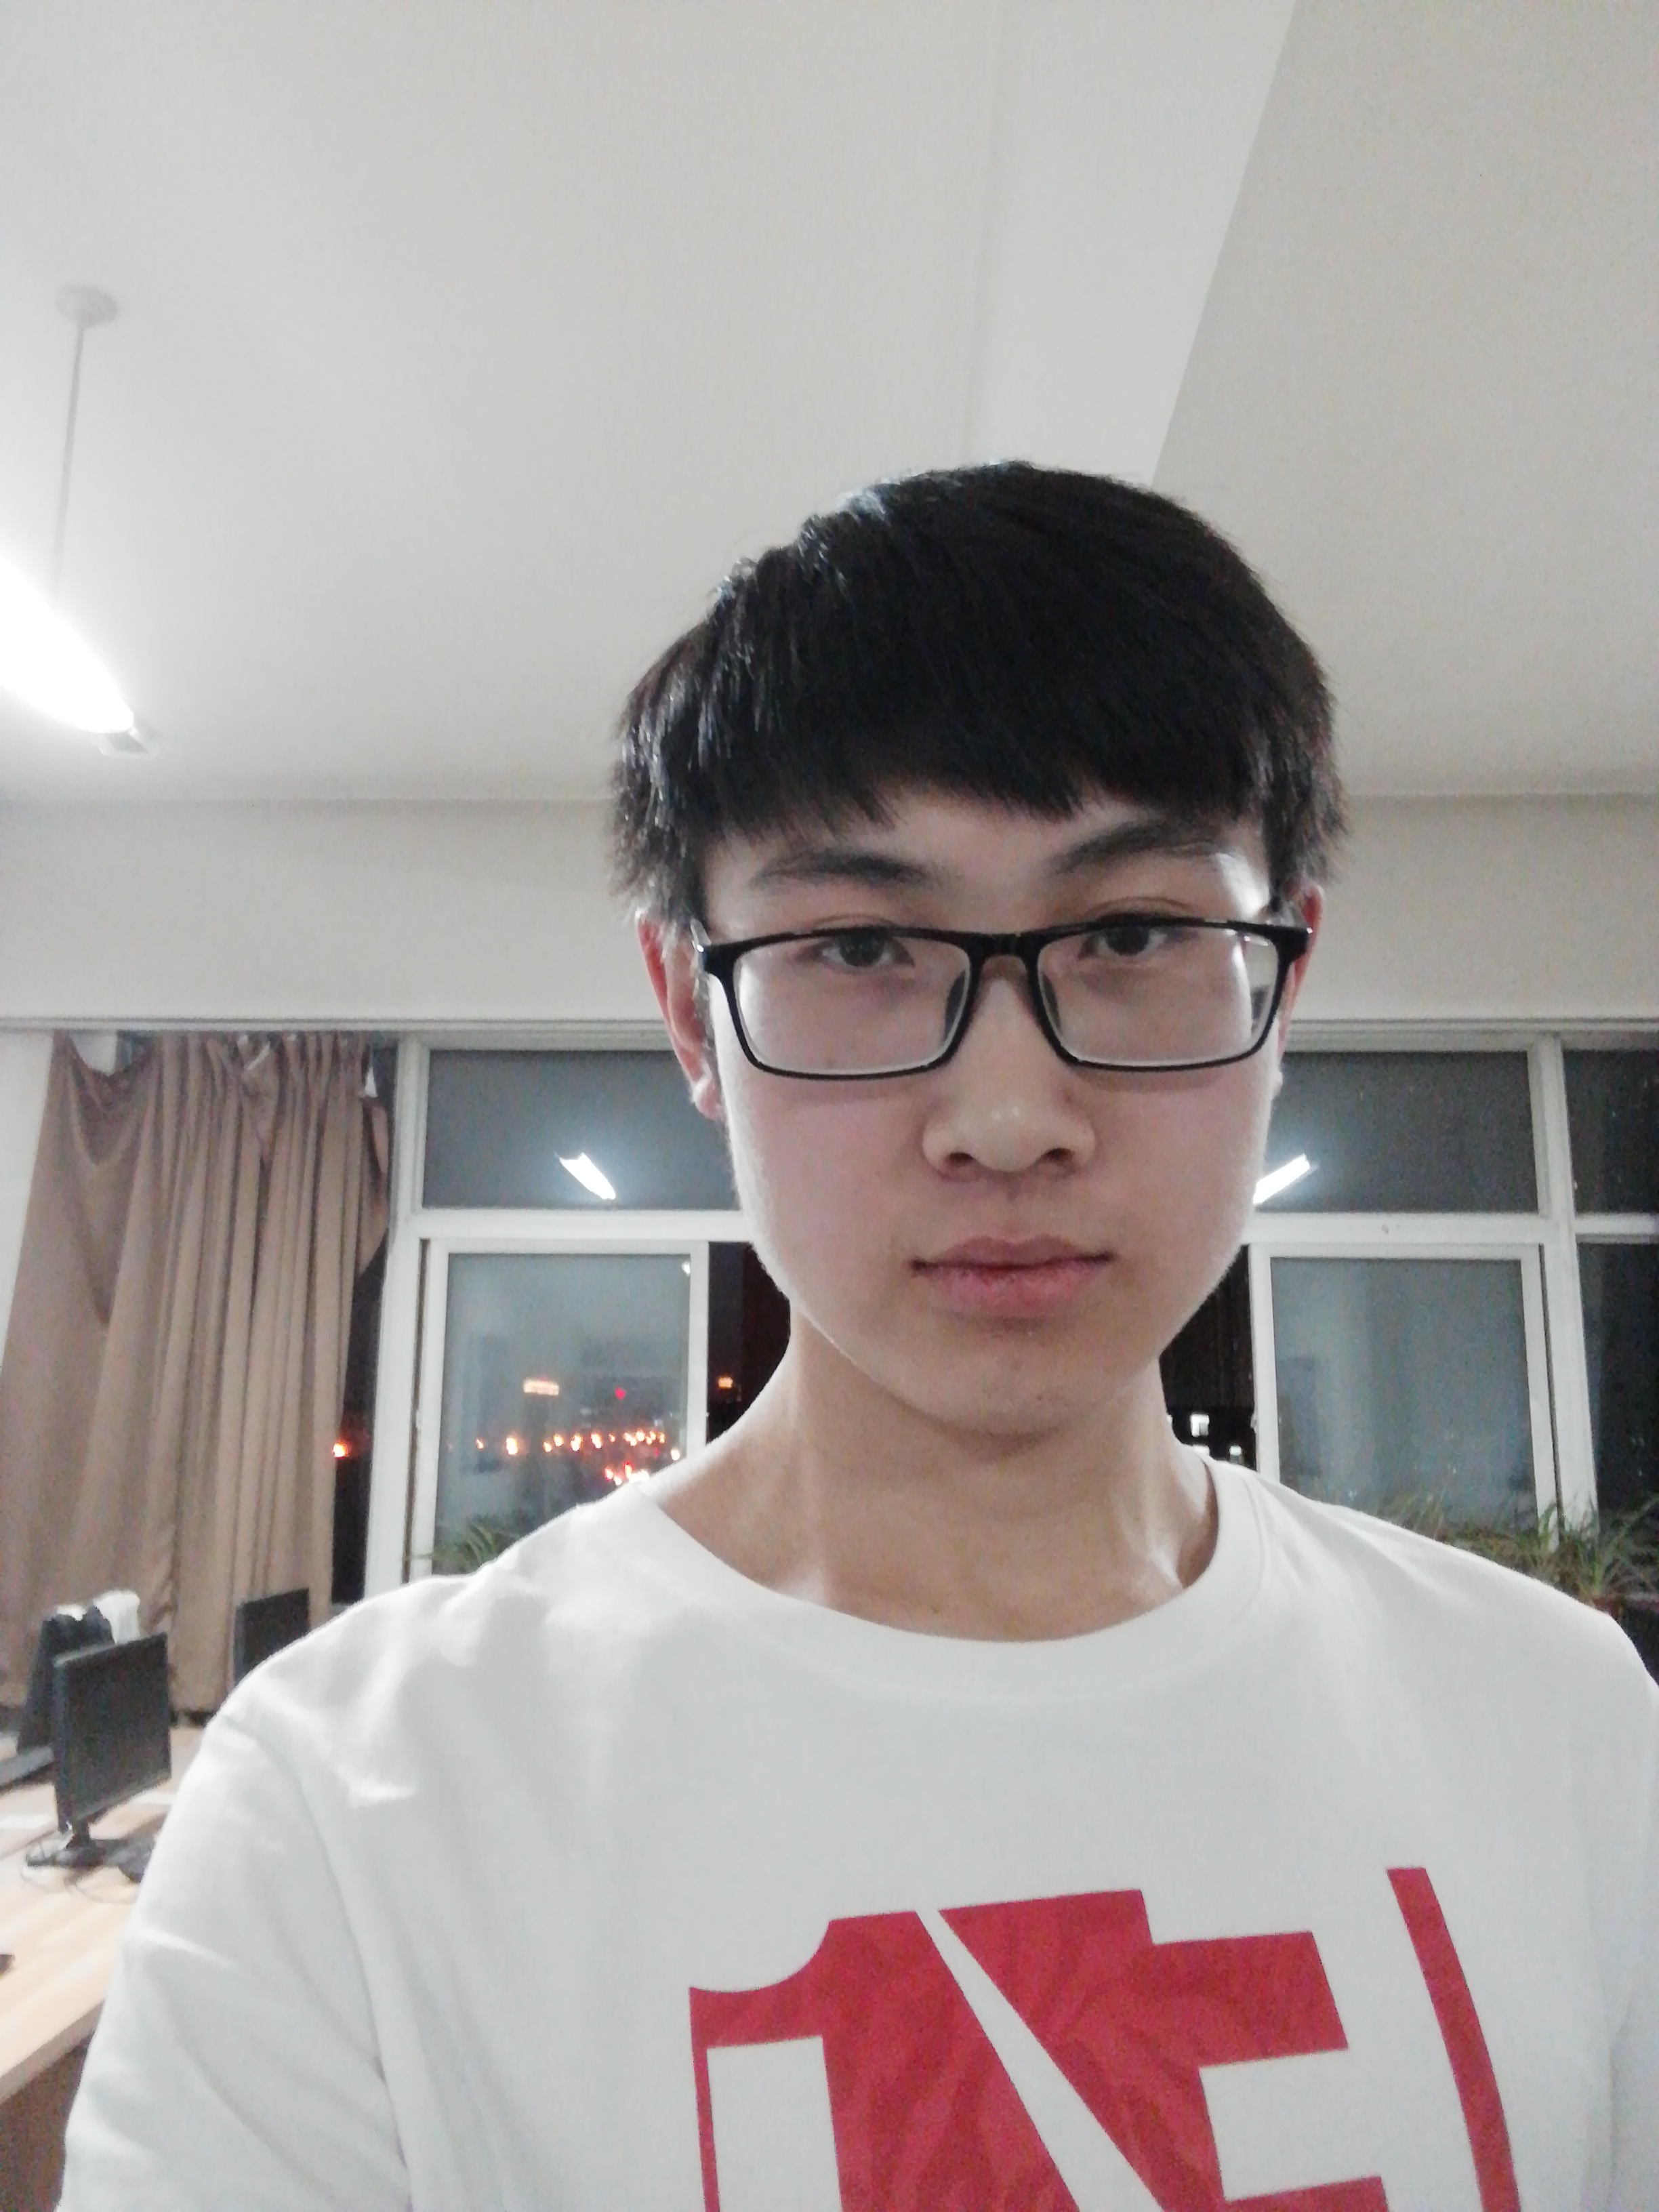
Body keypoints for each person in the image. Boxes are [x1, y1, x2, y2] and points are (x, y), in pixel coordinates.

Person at [61, 466, 1657, 2209]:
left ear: (1283, 985)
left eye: (1132, 934)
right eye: (864, 945)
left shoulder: (1560, 1731)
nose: (1007, 1117)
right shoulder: (357, 1812)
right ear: (691, 1013)